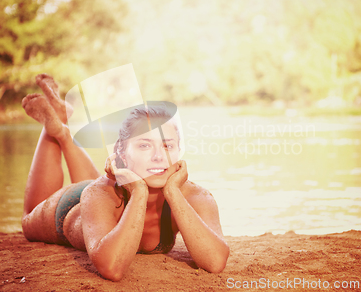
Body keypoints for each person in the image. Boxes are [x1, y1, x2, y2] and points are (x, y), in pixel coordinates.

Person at [21, 74, 229, 281]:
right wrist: (139, 191)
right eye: (144, 145)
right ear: (122, 153)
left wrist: (173, 192)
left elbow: (215, 261)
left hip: (109, 193)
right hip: (71, 207)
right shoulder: (99, 194)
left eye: (167, 146)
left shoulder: (195, 196)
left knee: (102, 189)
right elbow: (112, 268)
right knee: (28, 216)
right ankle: (55, 130)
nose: (159, 156)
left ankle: (63, 129)